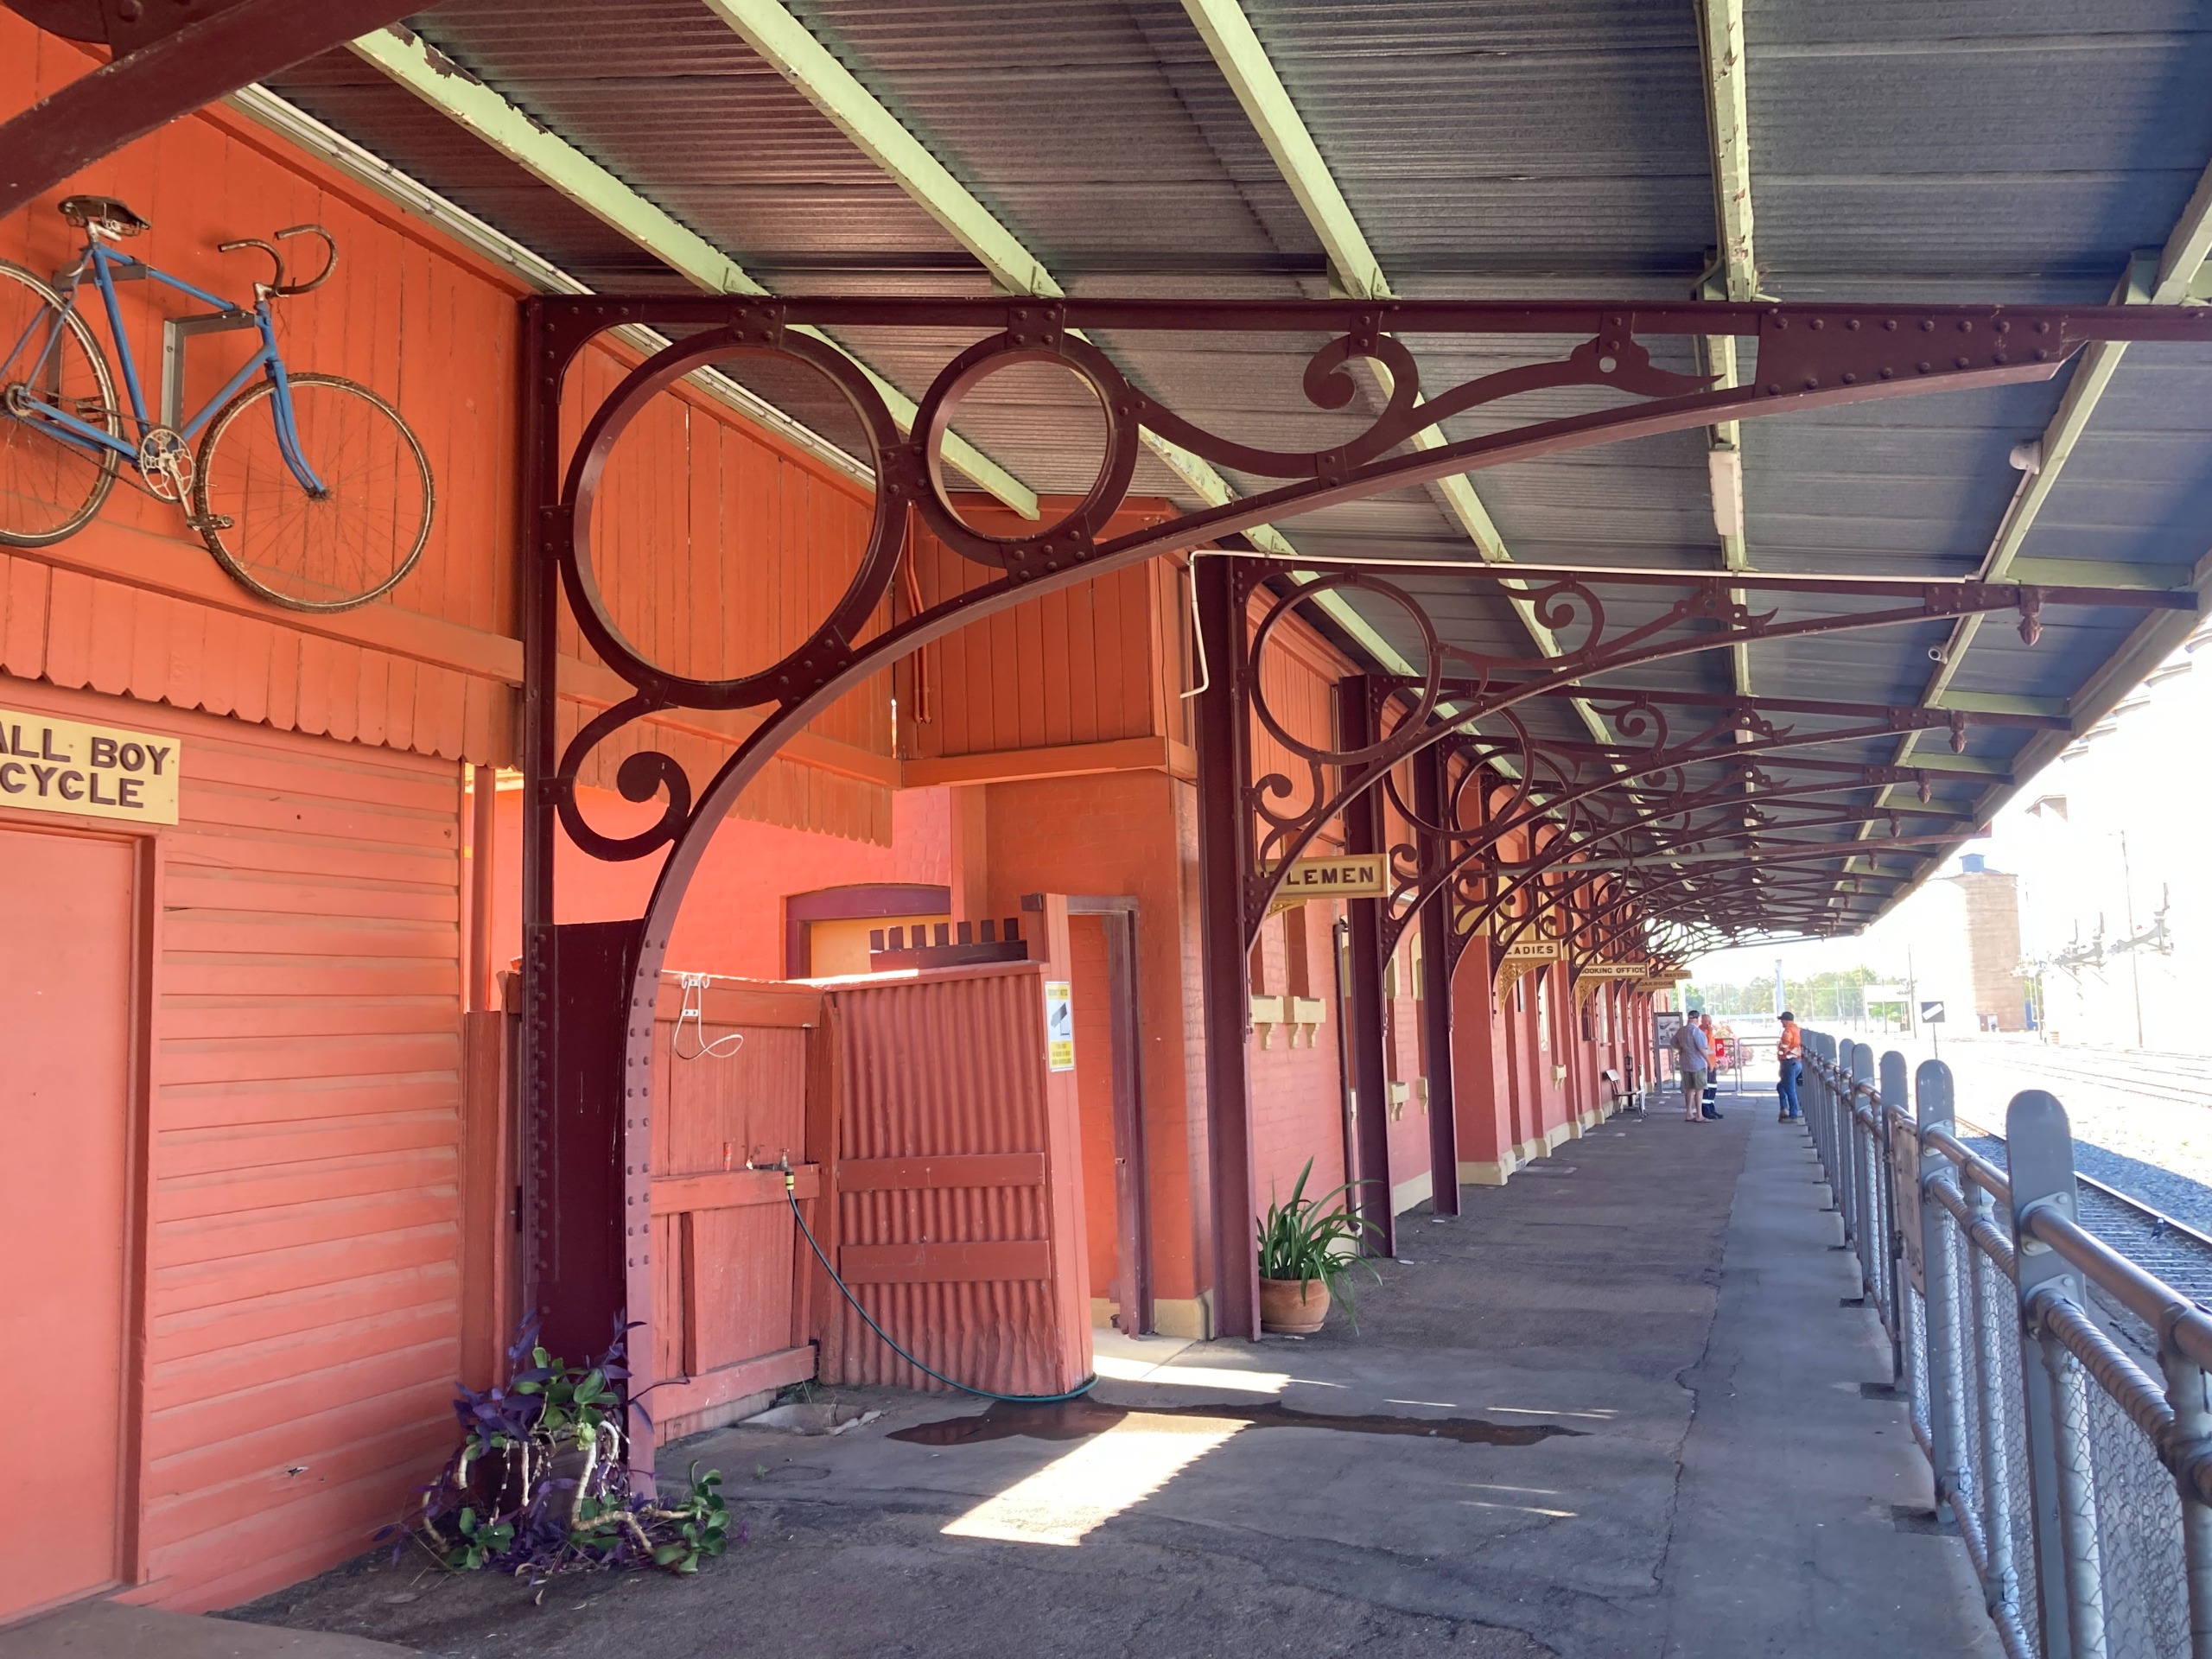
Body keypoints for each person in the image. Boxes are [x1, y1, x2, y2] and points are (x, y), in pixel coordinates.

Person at [1674, 1013, 1711, 1122]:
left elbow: (1673, 1042)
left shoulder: (1681, 1031)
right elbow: (1702, 1049)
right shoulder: (1697, 1032)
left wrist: (1681, 1049)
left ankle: (1689, 1113)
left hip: (1686, 1063)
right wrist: (1709, 1062)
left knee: (1689, 1089)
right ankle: (1699, 1115)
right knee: (1699, 1089)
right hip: (1698, 1063)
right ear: (1697, 1019)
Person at [1776, 1011, 1804, 1122]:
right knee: (1782, 1087)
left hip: (1789, 1063)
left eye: (1782, 1020)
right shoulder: (1798, 1030)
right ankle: (1784, 1110)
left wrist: (1780, 1053)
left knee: (1790, 1089)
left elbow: (1784, 1048)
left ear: (1787, 1021)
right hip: (1797, 1062)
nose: (1781, 1022)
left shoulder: (1787, 1032)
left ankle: (1792, 1114)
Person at [1699, 1014, 1726, 1119]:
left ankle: (1711, 1108)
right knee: (1707, 1088)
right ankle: (1706, 1110)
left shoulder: (1709, 1033)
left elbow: (1712, 1050)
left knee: (1713, 1087)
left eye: (1710, 1021)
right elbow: (1707, 1046)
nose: (1709, 1024)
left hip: (1712, 1064)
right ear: (1702, 1021)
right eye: (1707, 1022)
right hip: (1706, 1064)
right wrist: (1710, 1032)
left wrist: (1716, 1061)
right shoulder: (1702, 1033)